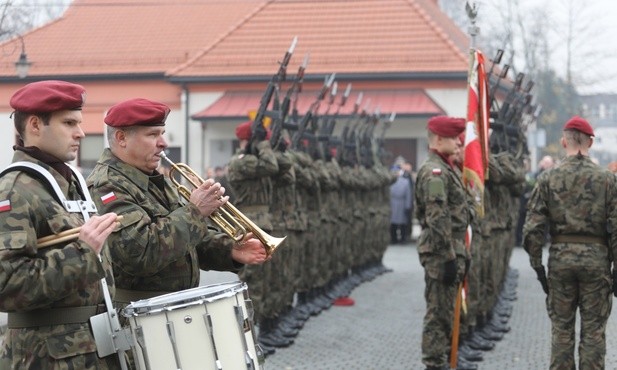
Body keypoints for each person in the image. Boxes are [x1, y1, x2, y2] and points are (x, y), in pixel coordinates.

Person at [87, 98, 268, 307]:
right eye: (152, 134)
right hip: (138, 312)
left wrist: (229, 250)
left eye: (162, 134)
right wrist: (195, 212)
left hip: (172, 306)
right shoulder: (107, 186)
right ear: (121, 138)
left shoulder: (151, 178)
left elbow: (187, 241)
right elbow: (140, 252)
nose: (163, 143)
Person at [0, 80, 121, 369]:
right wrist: (83, 253)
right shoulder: (15, 190)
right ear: (35, 125)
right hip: (45, 358)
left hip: (92, 351)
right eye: (69, 123)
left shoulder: (69, 183)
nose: (80, 133)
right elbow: (6, 285)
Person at [523, 116, 617, 370]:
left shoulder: (547, 178)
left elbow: (533, 228)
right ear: (591, 142)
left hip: (561, 261)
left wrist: (537, 266)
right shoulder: (607, 180)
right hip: (596, 262)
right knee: (594, 331)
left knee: (562, 330)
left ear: (563, 142)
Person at [414, 116, 475, 370]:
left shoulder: (446, 167)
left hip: (451, 252)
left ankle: (445, 361)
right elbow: (437, 219)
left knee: (448, 314)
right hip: (442, 255)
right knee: (438, 316)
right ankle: (434, 364)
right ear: (439, 139)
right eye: (452, 137)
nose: (457, 141)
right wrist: (449, 257)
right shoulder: (435, 172)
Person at [389, 165, 412, 244]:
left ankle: (402, 238)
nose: (395, 173)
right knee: (393, 223)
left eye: (397, 171)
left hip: (402, 203)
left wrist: (408, 205)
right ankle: (393, 238)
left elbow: (408, 194)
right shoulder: (389, 181)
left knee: (402, 223)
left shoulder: (405, 181)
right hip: (392, 202)